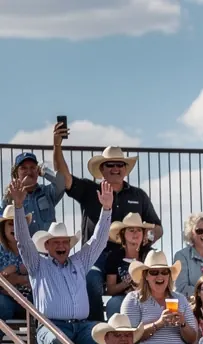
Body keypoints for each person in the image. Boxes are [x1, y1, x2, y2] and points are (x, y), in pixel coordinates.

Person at [9, 178, 113, 344]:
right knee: (58, 341)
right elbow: (23, 241)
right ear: (46, 246)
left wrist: (106, 210)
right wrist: (19, 207)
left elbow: (98, 241)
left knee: (109, 336)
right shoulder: (38, 264)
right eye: (56, 242)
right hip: (51, 326)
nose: (61, 246)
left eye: (65, 242)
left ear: (69, 245)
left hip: (82, 326)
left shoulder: (79, 261)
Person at [52, 133, 162, 320]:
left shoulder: (139, 195)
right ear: (101, 170)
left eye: (120, 164)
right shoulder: (89, 190)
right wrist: (57, 146)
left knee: (159, 275)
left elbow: (158, 228)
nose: (115, 168)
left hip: (131, 257)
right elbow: (63, 179)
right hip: (96, 256)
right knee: (91, 280)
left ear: (126, 169)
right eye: (110, 165)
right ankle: (95, 328)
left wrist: (144, 239)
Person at [122, 251, 198, 344]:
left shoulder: (180, 299)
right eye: (154, 272)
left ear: (169, 276)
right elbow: (128, 337)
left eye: (164, 272)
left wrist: (183, 324)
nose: (160, 276)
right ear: (146, 276)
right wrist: (158, 324)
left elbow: (192, 337)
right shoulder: (133, 299)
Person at [101, 212, 154, 316]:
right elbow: (110, 290)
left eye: (139, 230)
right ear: (123, 234)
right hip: (122, 297)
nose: (135, 233)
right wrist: (125, 283)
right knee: (113, 304)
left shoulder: (150, 254)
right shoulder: (114, 257)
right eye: (131, 230)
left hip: (147, 296)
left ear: (143, 234)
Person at [4, 144, 65, 233]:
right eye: (23, 168)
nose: (28, 172)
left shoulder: (47, 192)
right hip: (23, 246)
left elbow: (61, 183)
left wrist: (44, 171)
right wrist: (9, 195)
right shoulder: (12, 197)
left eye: (32, 167)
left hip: (47, 245)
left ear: (37, 171)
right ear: (16, 174)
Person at [0, 205, 32, 321]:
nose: (15, 227)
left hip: (29, 299)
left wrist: (14, 275)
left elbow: (41, 277)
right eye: (10, 223)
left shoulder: (31, 249)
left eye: (18, 223)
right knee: (2, 305)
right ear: (3, 228)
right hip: (6, 299)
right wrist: (22, 277)